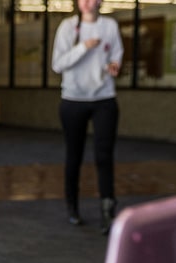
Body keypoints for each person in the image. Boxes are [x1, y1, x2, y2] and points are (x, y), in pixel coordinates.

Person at [51, 0, 123, 235]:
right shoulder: (68, 27)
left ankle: (107, 210)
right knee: (74, 155)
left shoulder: (110, 26)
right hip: (73, 100)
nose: (87, 3)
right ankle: (72, 206)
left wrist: (114, 65)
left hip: (104, 99)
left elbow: (116, 54)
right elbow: (58, 65)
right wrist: (83, 47)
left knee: (104, 155)